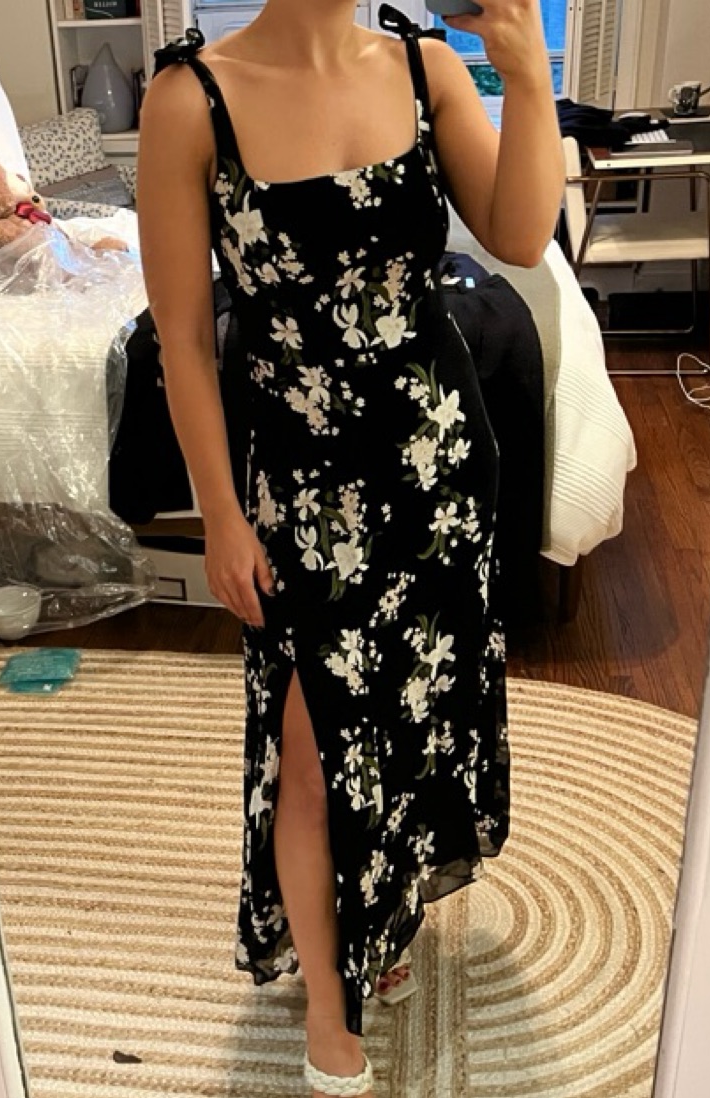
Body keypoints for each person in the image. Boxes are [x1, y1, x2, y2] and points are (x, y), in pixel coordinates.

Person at [137, 2, 564, 1094]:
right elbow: (181, 335)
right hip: (303, 495)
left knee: (413, 722)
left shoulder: (426, 69)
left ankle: (380, 924)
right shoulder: (191, 100)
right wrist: (220, 514)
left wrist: (525, 74)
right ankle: (327, 1007)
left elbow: (521, 238)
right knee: (314, 749)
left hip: (438, 467)